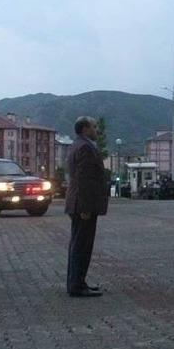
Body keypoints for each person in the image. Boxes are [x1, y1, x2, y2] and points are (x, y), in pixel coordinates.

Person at [64, 116, 109, 298]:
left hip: (80, 203)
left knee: (79, 244)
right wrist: (84, 207)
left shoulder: (78, 145)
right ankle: (76, 286)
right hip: (83, 205)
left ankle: (78, 282)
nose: (96, 130)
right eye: (94, 127)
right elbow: (83, 179)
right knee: (81, 246)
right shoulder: (84, 147)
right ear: (85, 128)